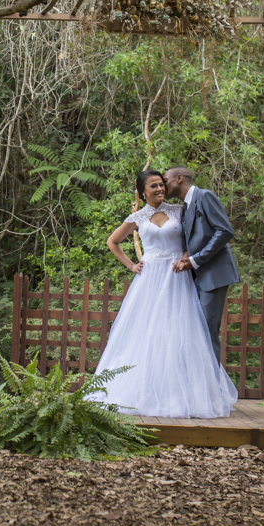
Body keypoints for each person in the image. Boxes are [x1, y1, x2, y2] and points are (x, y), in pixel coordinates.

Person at [90, 170, 237, 418]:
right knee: (147, 332)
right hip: (149, 279)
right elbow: (112, 242)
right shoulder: (138, 216)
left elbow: (192, 237)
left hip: (178, 277)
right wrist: (132, 265)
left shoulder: (179, 210)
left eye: (161, 184)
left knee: (183, 332)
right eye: (153, 186)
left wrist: (188, 256)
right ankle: (142, 389)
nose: (159, 189)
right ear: (142, 192)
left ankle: (189, 392)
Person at [163, 166, 240, 362]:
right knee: (195, 332)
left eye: (166, 180)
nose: (163, 186)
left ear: (179, 179)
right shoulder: (185, 207)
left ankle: (213, 388)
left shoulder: (204, 196)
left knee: (207, 332)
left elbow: (224, 231)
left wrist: (196, 260)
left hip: (213, 275)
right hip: (196, 277)